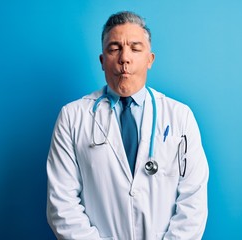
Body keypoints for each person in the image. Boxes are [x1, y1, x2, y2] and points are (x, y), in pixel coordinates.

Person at [46, 11, 209, 240]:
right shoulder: (72, 117)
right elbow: (62, 205)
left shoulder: (180, 117)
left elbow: (193, 201)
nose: (124, 58)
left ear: (149, 59)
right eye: (114, 49)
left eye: (135, 48)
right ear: (103, 61)